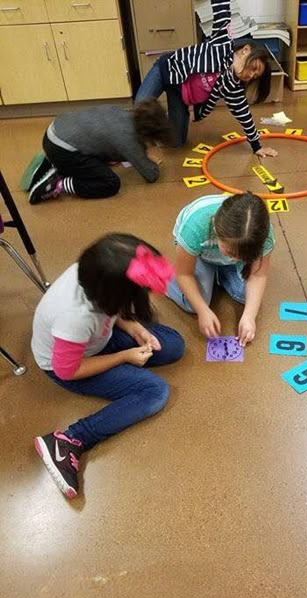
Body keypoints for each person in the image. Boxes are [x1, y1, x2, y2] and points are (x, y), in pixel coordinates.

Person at [32, 233, 184, 498]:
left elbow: (113, 310)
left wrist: (136, 328)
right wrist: (125, 357)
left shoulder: (95, 275)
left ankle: (130, 351)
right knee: (155, 392)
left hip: (97, 338)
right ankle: (69, 440)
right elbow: (67, 370)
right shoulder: (75, 318)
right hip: (72, 366)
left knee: (173, 345)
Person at [135, 0, 278, 158]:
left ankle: (169, 117)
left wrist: (257, 146)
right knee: (140, 106)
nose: (250, 75)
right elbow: (222, 10)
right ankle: (121, 143)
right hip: (167, 70)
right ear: (245, 50)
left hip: (180, 95)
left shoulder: (233, 87)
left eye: (254, 76)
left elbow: (245, 115)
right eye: (253, 69)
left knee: (176, 142)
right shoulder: (222, 43)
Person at [167, 192, 274, 346]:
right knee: (193, 304)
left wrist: (250, 317)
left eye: (242, 256)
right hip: (200, 255)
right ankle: (161, 275)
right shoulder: (195, 227)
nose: (235, 259)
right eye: (231, 253)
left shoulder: (261, 233)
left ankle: (218, 273)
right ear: (217, 232)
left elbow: (258, 276)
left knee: (246, 296)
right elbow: (184, 275)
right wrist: (202, 311)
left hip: (222, 251)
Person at [23, 99, 173, 205]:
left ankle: (54, 164)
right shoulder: (130, 140)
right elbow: (151, 175)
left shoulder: (121, 112)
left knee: (105, 159)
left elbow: (109, 142)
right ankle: (59, 183)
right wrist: (147, 158)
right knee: (110, 183)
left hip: (52, 133)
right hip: (62, 149)